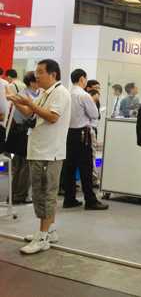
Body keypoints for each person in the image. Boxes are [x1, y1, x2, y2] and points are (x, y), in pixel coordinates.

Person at [7, 59, 71, 254]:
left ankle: (42, 237)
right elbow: (30, 113)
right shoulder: (45, 93)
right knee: (40, 192)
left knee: (45, 194)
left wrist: (28, 103)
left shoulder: (60, 93)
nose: (37, 75)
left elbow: (52, 117)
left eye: (41, 72)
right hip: (39, 149)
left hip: (49, 152)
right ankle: (49, 231)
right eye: (36, 72)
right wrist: (17, 101)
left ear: (53, 74)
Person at [62, 69, 107, 210]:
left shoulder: (67, 93)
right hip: (83, 134)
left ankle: (69, 198)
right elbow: (94, 114)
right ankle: (90, 200)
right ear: (82, 79)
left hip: (68, 133)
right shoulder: (84, 95)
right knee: (86, 168)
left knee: (69, 167)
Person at [5, 71, 39, 204]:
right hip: (22, 133)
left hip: (25, 132)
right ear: (31, 82)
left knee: (21, 165)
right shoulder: (24, 94)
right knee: (22, 165)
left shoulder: (33, 94)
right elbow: (27, 113)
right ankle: (18, 195)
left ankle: (16, 195)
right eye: (37, 80)